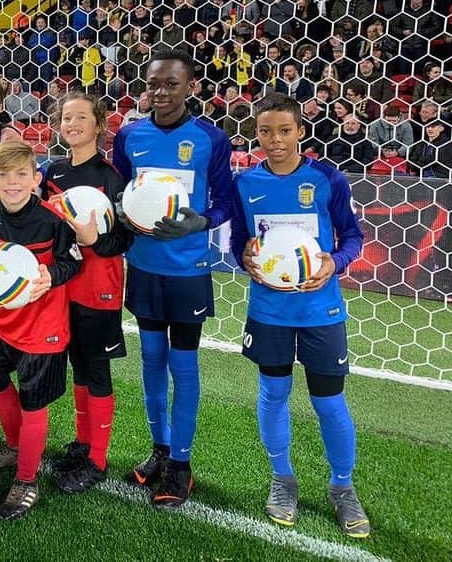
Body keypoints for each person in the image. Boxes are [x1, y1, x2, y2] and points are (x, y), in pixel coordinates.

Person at [230, 93, 369, 539]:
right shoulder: (245, 183)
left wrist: (333, 263)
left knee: (329, 401)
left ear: (300, 132)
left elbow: (352, 237)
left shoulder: (327, 179)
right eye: (266, 131)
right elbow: (239, 242)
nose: (275, 140)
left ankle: (343, 487)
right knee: (273, 394)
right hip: (269, 310)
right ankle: (282, 479)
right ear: (256, 134)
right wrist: (245, 257)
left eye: (284, 131)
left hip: (320, 310)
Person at [111, 49, 236, 509]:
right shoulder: (128, 137)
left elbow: (225, 201)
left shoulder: (209, 139)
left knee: (183, 367)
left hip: (188, 272)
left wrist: (199, 223)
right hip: (143, 269)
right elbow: (119, 194)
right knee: (150, 361)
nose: (160, 92)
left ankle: (181, 464)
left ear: (190, 87)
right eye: (153, 84)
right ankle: (160, 450)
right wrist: (124, 215)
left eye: (171, 84)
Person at [0, 140, 82, 519]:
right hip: (4, 321)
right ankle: (15, 445)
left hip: (44, 327)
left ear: (36, 178)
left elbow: (73, 264)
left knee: (34, 399)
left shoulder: (52, 220)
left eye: (21, 174)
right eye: (3, 175)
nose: (13, 182)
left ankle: (26, 479)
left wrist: (49, 275)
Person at [40, 92, 135, 493]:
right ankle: (83, 443)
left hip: (99, 288)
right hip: (63, 286)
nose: (73, 124)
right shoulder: (53, 172)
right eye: (66, 117)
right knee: (78, 362)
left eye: (82, 117)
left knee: (95, 366)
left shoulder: (111, 177)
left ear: (99, 124)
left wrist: (95, 239)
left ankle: (98, 458)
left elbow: (123, 239)